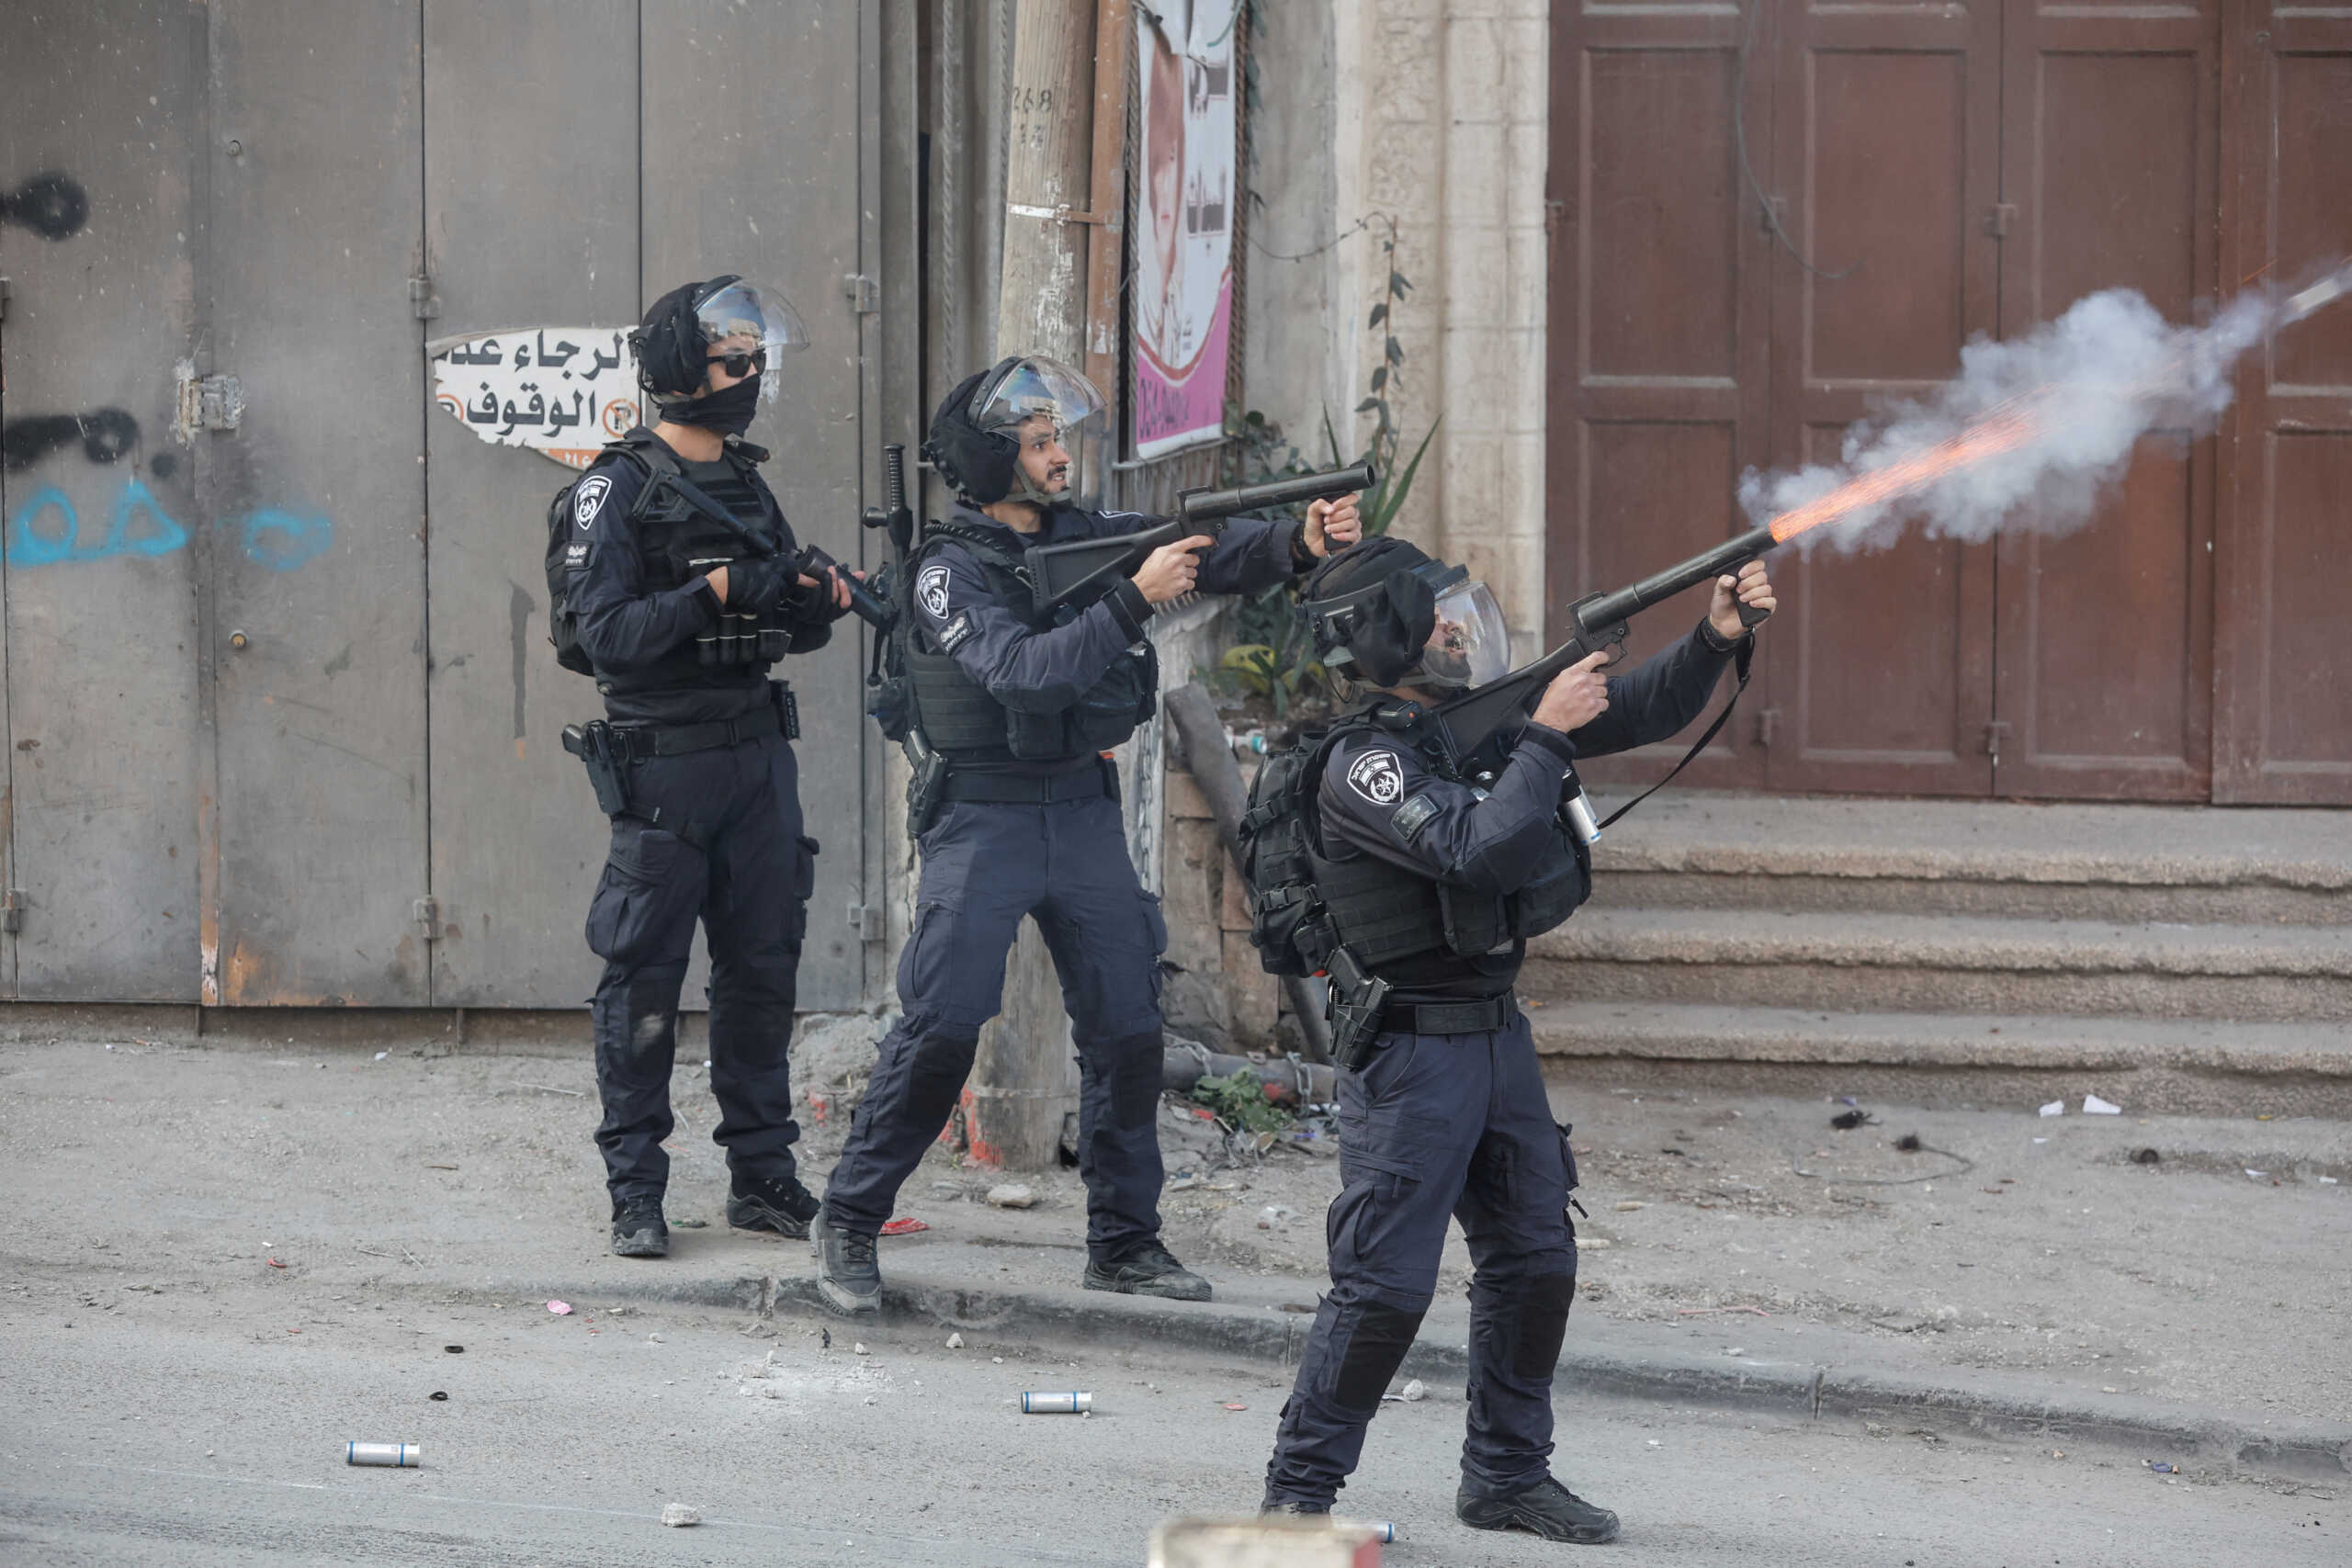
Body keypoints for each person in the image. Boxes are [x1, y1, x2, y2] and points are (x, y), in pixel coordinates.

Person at [811, 354, 1362, 1315]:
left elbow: (1212, 553)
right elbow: (1022, 671)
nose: (1058, 457)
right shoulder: (946, 571)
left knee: (1125, 1028)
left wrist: (1300, 545)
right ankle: (849, 1222)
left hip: (1077, 809)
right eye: (1037, 443)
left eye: (1057, 438)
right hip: (981, 817)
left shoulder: (1088, 535)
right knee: (941, 1026)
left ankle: (1124, 1242)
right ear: (993, 463)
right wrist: (1131, 598)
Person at [1252, 535, 1774, 1541]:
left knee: (1536, 1262)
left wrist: (1713, 636)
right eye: (1437, 617)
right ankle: (1297, 1501)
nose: (1460, 630)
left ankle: (1503, 1474)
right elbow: (1475, 852)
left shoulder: (1477, 725)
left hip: (1495, 1036)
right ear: (1387, 637)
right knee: (1383, 1289)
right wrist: (1541, 739)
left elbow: (1643, 707)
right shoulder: (1364, 761)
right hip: (1409, 1053)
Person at [563, 275, 857, 1259]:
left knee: (760, 973)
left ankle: (763, 1178)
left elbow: (780, 627)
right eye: (734, 358)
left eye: (754, 357)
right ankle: (636, 1190)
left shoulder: (744, 479)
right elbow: (604, 637)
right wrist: (713, 590)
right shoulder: (613, 490)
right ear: (684, 371)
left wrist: (812, 601)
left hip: (756, 758)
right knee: (644, 981)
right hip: (665, 769)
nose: (751, 374)